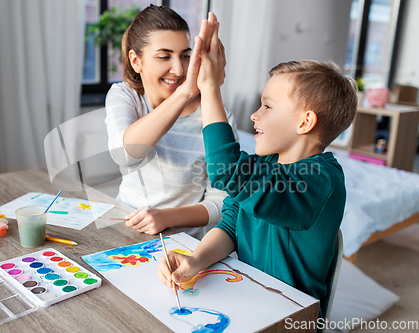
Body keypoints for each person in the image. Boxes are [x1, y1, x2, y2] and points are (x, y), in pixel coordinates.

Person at [157, 14, 357, 320]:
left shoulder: (319, 181)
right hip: (249, 296)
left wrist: (210, 88)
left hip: (289, 317)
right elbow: (231, 226)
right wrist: (195, 260)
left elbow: (226, 171)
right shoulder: (266, 163)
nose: (254, 115)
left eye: (267, 106)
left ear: (305, 122)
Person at [105, 5, 238, 239]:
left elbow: (222, 203)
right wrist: (185, 92)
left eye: (186, 56)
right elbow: (124, 155)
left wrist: (167, 217)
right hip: (124, 226)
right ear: (136, 61)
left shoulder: (217, 116)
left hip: (184, 242)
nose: (178, 69)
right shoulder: (126, 96)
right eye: (164, 56)